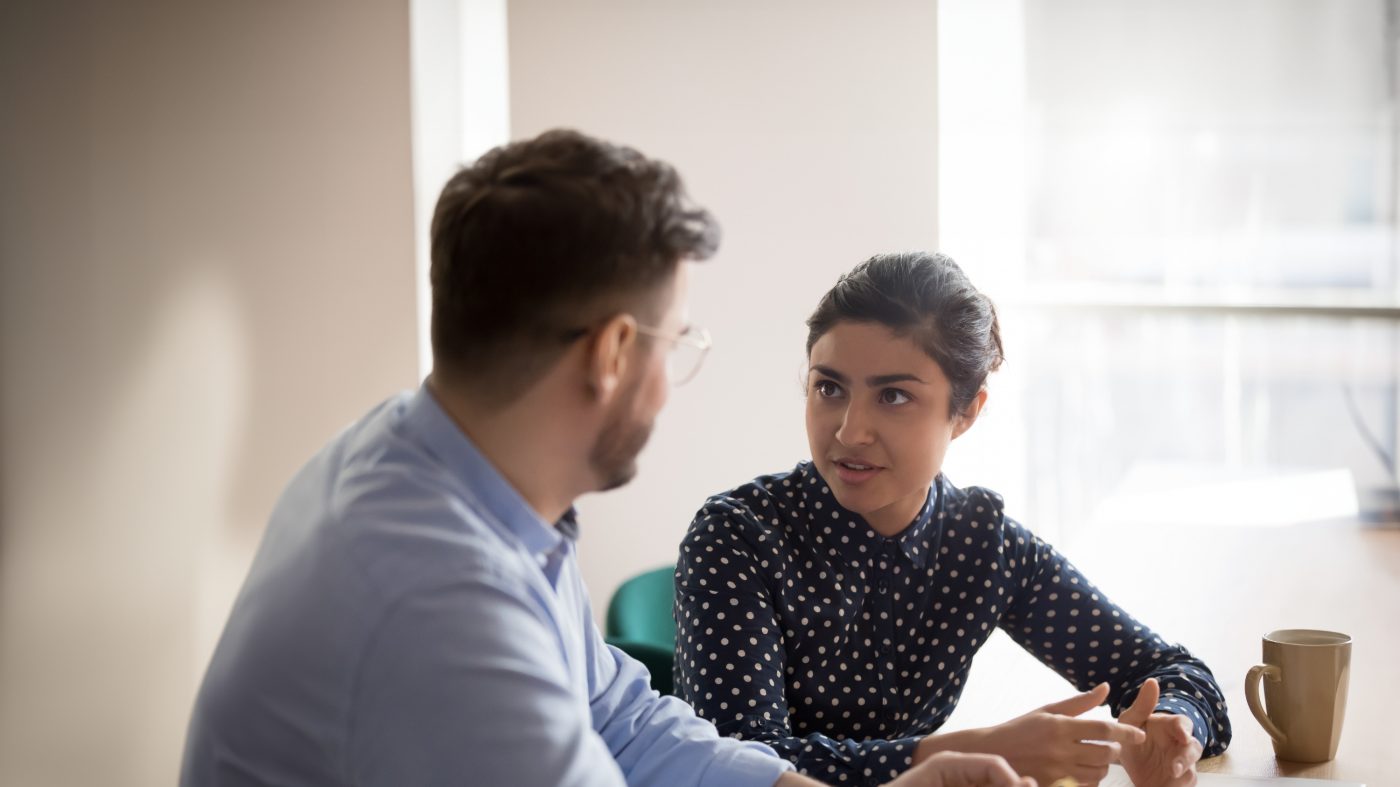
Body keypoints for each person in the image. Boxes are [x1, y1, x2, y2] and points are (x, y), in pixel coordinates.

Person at [179, 132, 1034, 787]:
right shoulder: (445, 606)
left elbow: (621, 716)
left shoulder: (440, 471)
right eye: (676, 342)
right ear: (613, 353)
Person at [674, 251, 1231, 787]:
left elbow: (1174, 672)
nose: (848, 431)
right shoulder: (737, 535)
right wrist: (973, 752)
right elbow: (740, 766)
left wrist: (1175, 731)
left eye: (892, 395)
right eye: (829, 387)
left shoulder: (982, 546)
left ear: (966, 412)